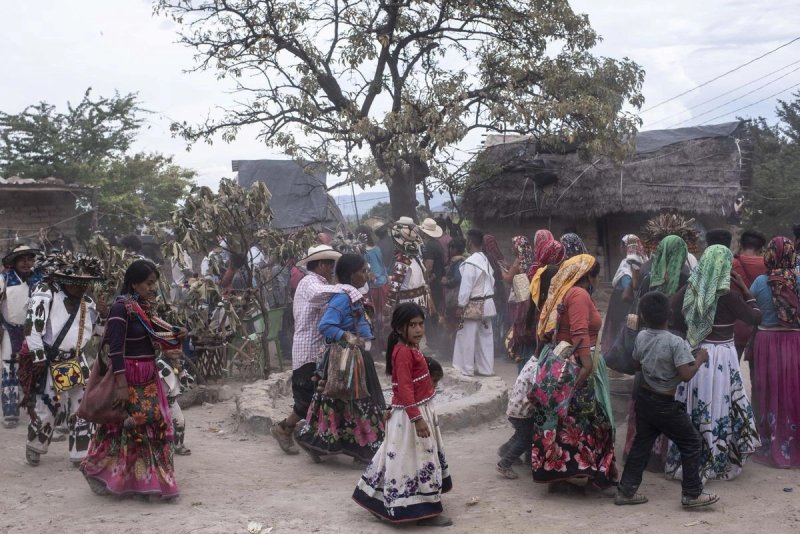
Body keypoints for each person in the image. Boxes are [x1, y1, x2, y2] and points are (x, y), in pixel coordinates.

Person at [81, 259, 187, 499]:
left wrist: (178, 333)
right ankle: (99, 471)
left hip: (148, 376)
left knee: (153, 426)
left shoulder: (143, 307)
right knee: (126, 427)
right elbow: (116, 348)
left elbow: (158, 333)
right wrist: (121, 385)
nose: (152, 288)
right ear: (134, 283)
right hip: (129, 375)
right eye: (148, 283)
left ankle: (147, 482)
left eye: (154, 283)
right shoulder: (121, 309)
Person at [352, 303, 453, 527]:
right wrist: (417, 419)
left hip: (409, 413)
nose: (418, 329)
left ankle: (375, 498)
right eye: (412, 325)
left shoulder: (408, 348)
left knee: (398, 457)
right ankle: (426, 512)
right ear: (399, 328)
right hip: (411, 417)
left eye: (420, 324)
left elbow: (400, 387)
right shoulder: (404, 353)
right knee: (420, 459)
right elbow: (406, 389)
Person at [616, 291, 719, 508]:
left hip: (645, 399)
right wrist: (700, 359)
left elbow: (636, 364)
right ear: (669, 315)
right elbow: (686, 375)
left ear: (644, 316)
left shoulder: (642, 336)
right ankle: (692, 494)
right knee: (691, 442)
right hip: (664, 403)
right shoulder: (675, 342)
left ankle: (626, 491)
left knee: (641, 445)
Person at [669, 245, 762, 481]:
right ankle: (716, 457)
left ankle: (689, 459)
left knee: (695, 406)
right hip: (721, 357)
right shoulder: (728, 296)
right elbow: (755, 317)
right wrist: (745, 289)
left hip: (694, 355)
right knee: (719, 404)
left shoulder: (689, 289)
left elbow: (671, 313)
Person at [531, 254, 617, 490]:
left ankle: (563, 475)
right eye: (597, 277)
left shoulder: (567, 292)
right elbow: (579, 333)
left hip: (566, 361)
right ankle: (581, 473)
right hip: (578, 363)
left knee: (567, 419)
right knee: (586, 419)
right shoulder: (579, 294)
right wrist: (587, 367)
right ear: (589, 276)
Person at [295, 254, 385, 464]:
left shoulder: (350, 296)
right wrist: (347, 336)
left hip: (355, 358)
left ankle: (317, 443)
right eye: (362, 271)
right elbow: (326, 325)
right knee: (360, 402)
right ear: (351, 275)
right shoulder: (343, 298)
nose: (366, 275)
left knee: (339, 404)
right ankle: (365, 449)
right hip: (347, 361)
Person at [22, 251, 102, 467]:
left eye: (86, 283)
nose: (83, 287)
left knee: (82, 406)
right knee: (49, 406)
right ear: (65, 279)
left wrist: (106, 316)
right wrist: (38, 357)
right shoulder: (45, 293)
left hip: (77, 360)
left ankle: (81, 453)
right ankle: (35, 446)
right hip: (51, 360)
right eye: (78, 282)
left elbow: (98, 330)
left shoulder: (89, 302)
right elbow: (32, 328)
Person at [269, 245, 347, 455]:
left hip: (316, 350)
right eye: (330, 265)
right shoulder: (310, 283)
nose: (332, 269)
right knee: (307, 399)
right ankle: (286, 428)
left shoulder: (320, 283)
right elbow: (317, 296)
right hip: (308, 351)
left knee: (317, 397)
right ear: (321, 265)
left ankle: (304, 434)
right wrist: (347, 289)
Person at [749, 237, 800, 468]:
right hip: (794, 341)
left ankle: (770, 441)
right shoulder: (798, 279)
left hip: (766, 342)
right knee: (794, 389)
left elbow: (751, 309)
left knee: (768, 389)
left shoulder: (760, 282)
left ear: (768, 255)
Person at [1, 244, 44, 428]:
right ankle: (10, 412)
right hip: (11, 330)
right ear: (14, 262)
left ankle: (39, 410)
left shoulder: (41, 279)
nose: (26, 263)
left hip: (36, 332)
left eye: (29, 259)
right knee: (9, 368)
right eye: (22, 260)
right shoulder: (4, 279)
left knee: (38, 368)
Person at [453, 229, 496, 376]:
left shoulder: (471, 262)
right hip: (488, 304)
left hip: (474, 305)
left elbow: (466, 287)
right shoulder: (485, 260)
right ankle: (486, 369)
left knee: (467, 336)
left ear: (470, 242)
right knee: (485, 337)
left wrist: (461, 305)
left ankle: (466, 368)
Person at [601, 234, 647, 355]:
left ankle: (615, 356)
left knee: (619, 332)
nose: (620, 248)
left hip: (621, 305)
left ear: (626, 247)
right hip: (632, 304)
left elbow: (626, 292)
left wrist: (635, 304)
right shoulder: (644, 261)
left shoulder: (627, 264)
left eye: (622, 246)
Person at [496, 355, 537, 480]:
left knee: (521, 434)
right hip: (523, 411)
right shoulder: (537, 368)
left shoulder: (531, 362)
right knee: (525, 438)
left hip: (515, 407)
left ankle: (505, 450)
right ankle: (504, 464)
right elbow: (537, 391)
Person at [384, 217, 431, 321]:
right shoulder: (416, 257)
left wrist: (388, 305)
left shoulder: (402, 260)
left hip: (407, 304)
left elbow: (395, 285)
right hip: (420, 301)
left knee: (409, 328)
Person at [732, 230, 767, 357]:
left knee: (733, 363)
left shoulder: (732, 264)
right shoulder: (767, 265)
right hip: (760, 324)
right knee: (757, 366)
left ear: (740, 244)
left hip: (735, 324)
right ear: (761, 248)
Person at [502, 236, 536, 366]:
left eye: (514, 246)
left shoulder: (518, 260)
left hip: (518, 298)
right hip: (527, 296)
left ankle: (515, 351)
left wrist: (501, 271)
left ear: (518, 247)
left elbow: (509, 278)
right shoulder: (531, 259)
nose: (512, 248)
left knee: (515, 324)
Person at [357, 225, 389, 347]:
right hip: (383, 283)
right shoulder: (377, 249)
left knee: (374, 314)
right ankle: (384, 340)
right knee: (382, 313)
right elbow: (382, 266)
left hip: (372, 286)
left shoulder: (363, 252)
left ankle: (378, 343)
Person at [156, 348, 193, 456]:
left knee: (180, 422)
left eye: (178, 348)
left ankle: (178, 445)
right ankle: (159, 447)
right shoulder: (159, 363)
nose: (175, 350)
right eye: (171, 348)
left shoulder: (178, 364)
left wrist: (181, 371)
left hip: (172, 400)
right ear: (163, 349)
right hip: (159, 401)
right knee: (160, 424)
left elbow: (187, 382)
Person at [441, 238, 466, 354]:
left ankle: (450, 351)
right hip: (455, 297)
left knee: (451, 324)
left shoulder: (458, 262)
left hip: (454, 297)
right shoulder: (460, 260)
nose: (450, 250)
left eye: (451, 247)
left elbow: (457, 278)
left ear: (456, 249)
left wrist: (447, 282)